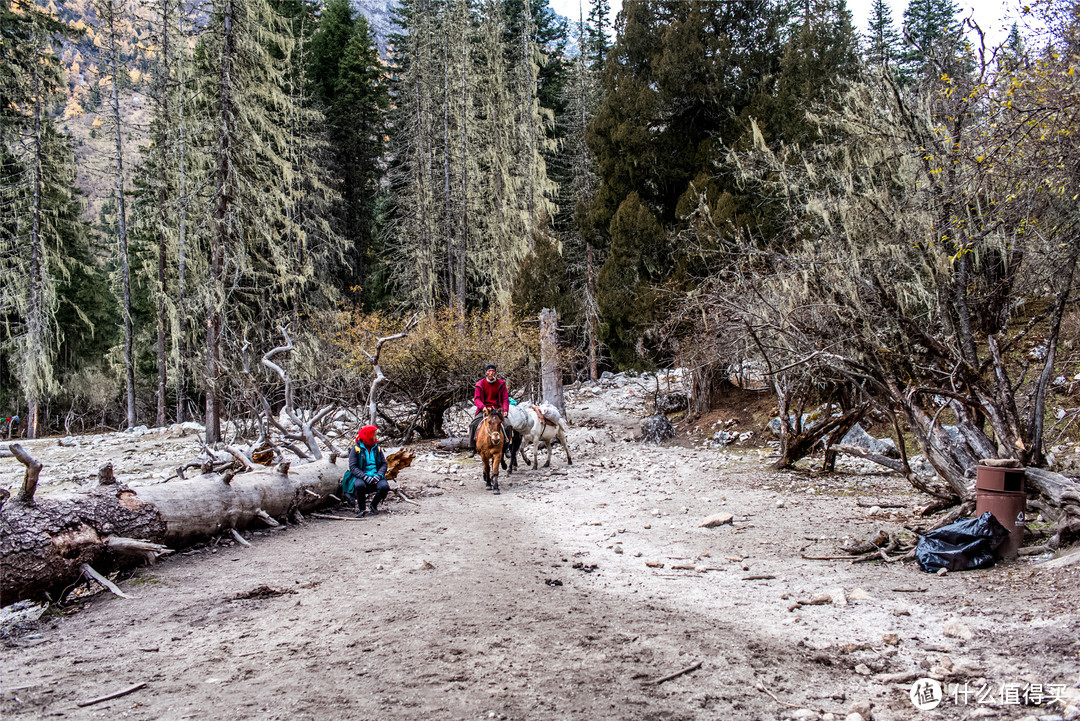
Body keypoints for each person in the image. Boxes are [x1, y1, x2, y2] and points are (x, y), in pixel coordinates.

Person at [345, 424, 389, 517]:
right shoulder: (356, 449)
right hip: (362, 476)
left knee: (384, 486)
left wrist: (379, 475)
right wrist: (364, 476)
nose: (375, 437)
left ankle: (374, 505)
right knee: (359, 485)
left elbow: (384, 464)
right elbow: (353, 467)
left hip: (375, 474)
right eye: (374, 435)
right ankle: (362, 509)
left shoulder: (377, 448)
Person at [470, 363, 508, 454]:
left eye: (493, 371)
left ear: (495, 373)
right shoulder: (480, 384)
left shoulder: (501, 384)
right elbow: (477, 399)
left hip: (497, 409)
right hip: (484, 409)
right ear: (486, 373)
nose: (491, 373)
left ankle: (506, 448)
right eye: (489, 371)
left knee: (508, 426)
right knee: (473, 425)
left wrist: (505, 410)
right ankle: (472, 447)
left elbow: (505, 398)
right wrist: (482, 407)